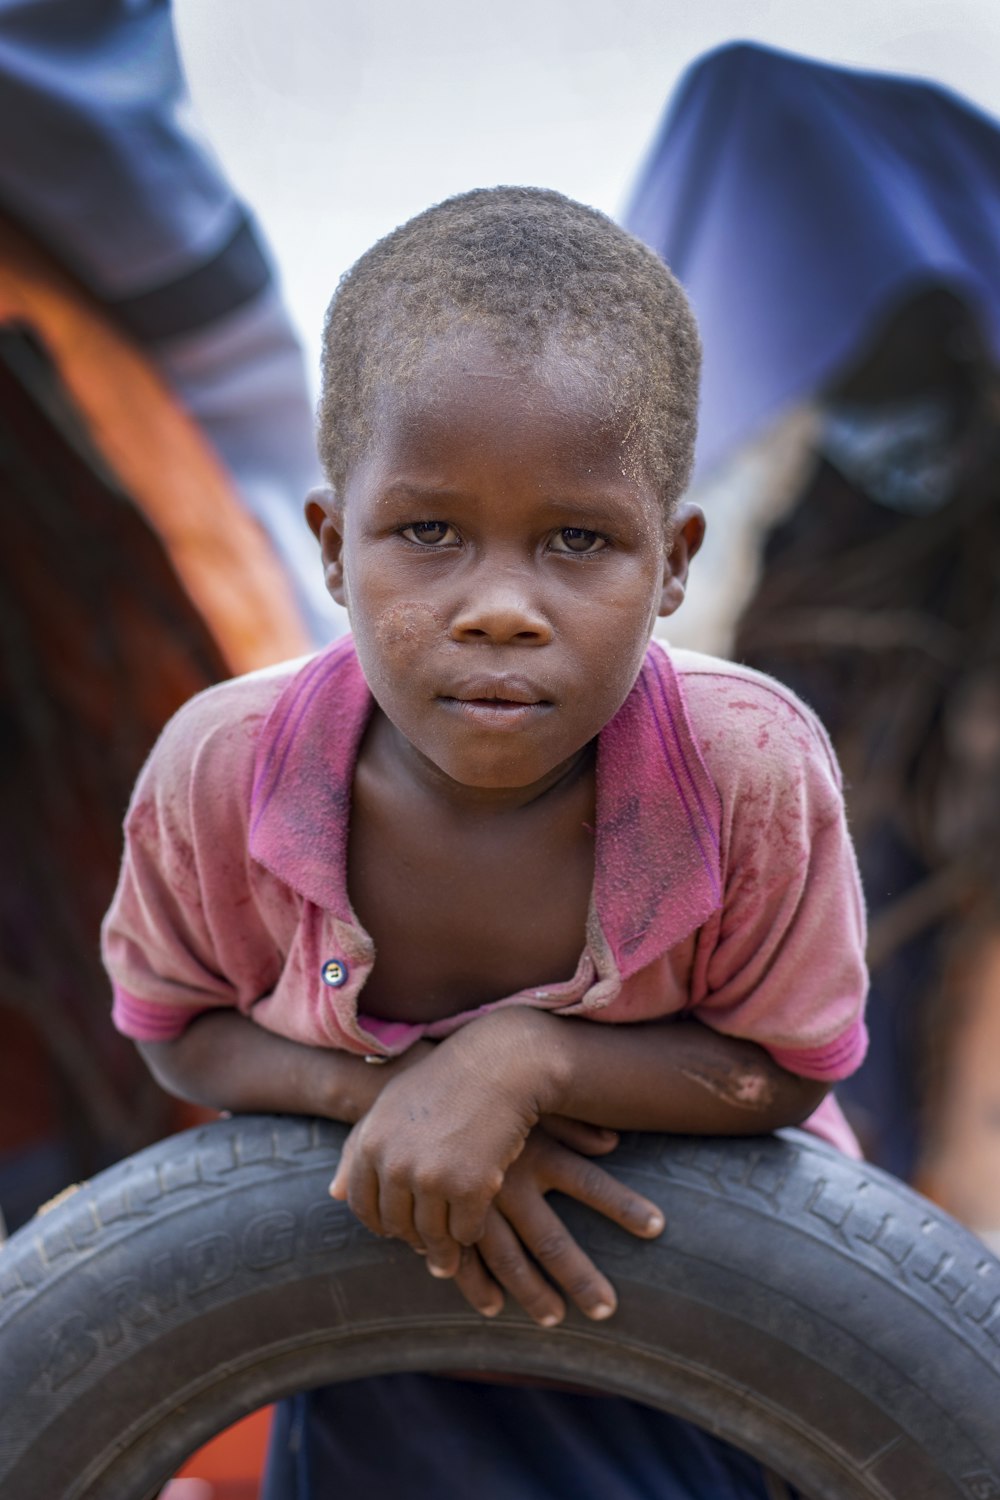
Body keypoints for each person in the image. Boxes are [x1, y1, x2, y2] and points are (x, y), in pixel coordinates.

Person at [101, 187, 868, 1499]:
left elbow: (786, 1069)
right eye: (430, 532)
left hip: (716, 1341)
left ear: (673, 563)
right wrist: (382, 1097)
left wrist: (526, 1059)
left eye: (579, 539)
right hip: (376, 1352)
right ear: (336, 546)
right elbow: (175, 1026)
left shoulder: (746, 773)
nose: (501, 608)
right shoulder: (227, 776)